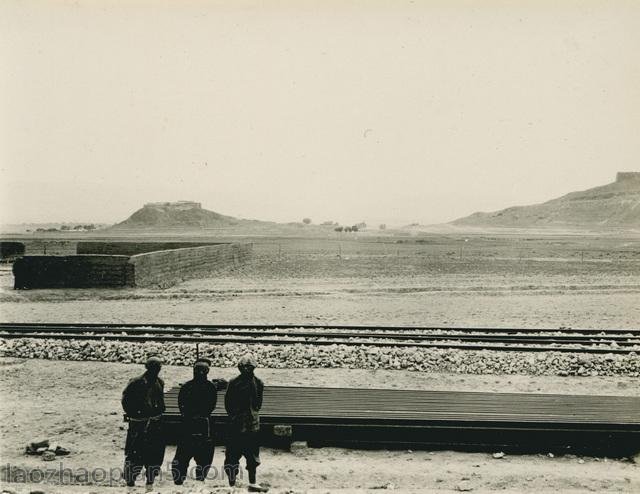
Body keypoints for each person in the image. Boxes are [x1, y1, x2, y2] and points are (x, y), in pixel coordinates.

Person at [224, 354, 268, 492]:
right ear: (240, 368)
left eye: (249, 367)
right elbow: (228, 403)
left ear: (254, 367)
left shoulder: (259, 383)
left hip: (252, 425)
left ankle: (252, 482)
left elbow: (258, 404)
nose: (247, 369)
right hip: (236, 425)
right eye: (244, 367)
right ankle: (231, 482)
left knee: (253, 457)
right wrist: (235, 416)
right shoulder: (233, 383)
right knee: (232, 456)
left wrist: (252, 415)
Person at [121, 355, 166, 491]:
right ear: (147, 368)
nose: (156, 370)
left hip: (154, 424)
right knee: (135, 455)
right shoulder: (136, 382)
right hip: (139, 425)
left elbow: (160, 402)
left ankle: (150, 484)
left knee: (154, 454)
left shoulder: (159, 382)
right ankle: (130, 485)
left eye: (158, 368)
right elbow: (126, 401)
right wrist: (137, 415)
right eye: (154, 367)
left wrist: (158, 413)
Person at [171, 357, 219, 485]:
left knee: (182, 454)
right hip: (204, 424)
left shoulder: (186, 387)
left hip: (188, 423)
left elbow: (181, 405)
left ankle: (179, 479)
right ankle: (200, 477)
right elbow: (211, 406)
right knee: (205, 455)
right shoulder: (210, 388)